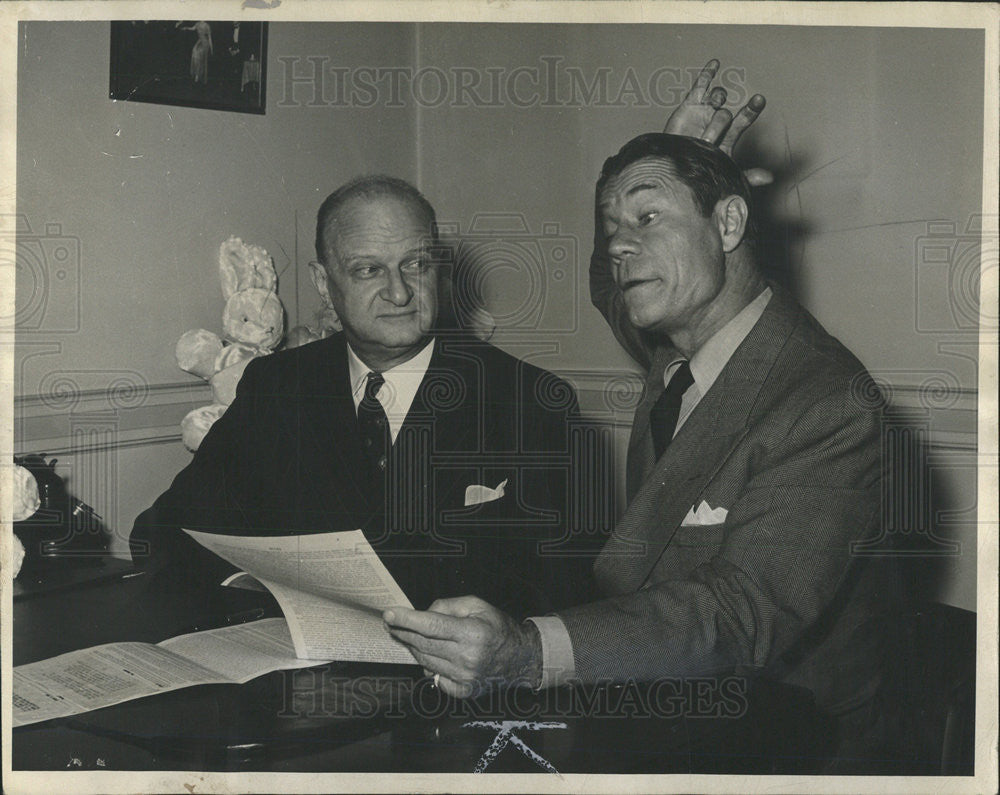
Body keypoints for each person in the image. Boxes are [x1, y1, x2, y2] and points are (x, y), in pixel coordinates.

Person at [384, 78, 900, 769]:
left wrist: (531, 652)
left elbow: (740, 613)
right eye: (611, 229)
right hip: (674, 701)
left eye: (648, 220)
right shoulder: (683, 344)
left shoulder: (827, 403)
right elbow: (613, 284)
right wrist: (676, 151)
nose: (621, 247)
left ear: (728, 225)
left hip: (792, 742)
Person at [130, 175, 598, 618]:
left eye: (415, 264)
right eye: (368, 269)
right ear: (323, 282)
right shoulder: (277, 385)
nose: (399, 292)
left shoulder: (531, 401)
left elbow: (570, 588)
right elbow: (169, 530)